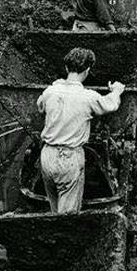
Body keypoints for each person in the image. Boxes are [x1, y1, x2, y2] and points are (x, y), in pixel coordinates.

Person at [37, 47, 124, 213]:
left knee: (54, 209)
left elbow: (40, 107)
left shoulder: (50, 91)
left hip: (47, 155)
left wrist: (57, 86)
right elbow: (110, 105)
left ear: (66, 68)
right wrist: (117, 91)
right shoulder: (88, 96)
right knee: (67, 216)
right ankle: (65, 237)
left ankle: (54, 234)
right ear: (87, 70)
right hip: (69, 158)